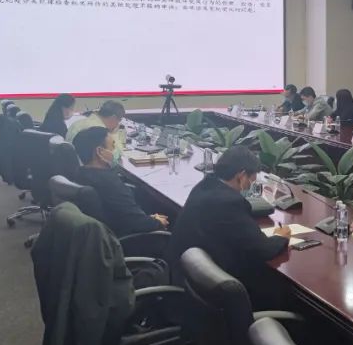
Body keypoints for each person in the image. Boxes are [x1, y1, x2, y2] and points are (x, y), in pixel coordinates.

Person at [166, 146, 291, 306]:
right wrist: (281, 236)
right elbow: (262, 249)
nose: (250, 187)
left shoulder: (205, 185)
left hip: (183, 276)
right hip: (207, 290)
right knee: (276, 287)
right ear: (242, 176)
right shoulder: (230, 202)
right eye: (251, 181)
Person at [72, 126, 167, 237]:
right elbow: (135, 222)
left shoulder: (80, 174)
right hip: (126, 239)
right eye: (113, 146)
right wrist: (157, 222)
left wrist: (148, 218)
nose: (115, 150)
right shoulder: (109, 183)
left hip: (109, 230)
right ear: (100, 151)